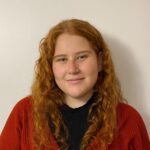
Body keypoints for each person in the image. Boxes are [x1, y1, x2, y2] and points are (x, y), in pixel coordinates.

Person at [0, 19, 150, 150]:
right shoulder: (24, 113)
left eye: (82, 57)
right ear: (50, 67)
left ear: (99, 61)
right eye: (62, 59)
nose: (72, 69)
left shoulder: (129, 119)